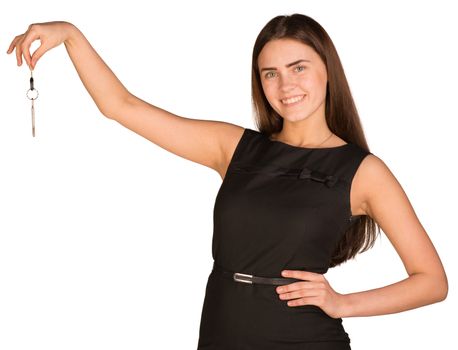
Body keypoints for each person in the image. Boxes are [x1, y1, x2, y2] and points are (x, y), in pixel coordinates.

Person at [7, 13, 448, 349]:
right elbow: (122, 106)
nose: (285, 85)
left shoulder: (364, 171)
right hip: (220, 330)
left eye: (298, 68)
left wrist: (343, 302)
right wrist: (70, 34)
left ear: (327, 70)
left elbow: (432, 280)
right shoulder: (233, 147)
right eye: (270, 73)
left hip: (303, 339)